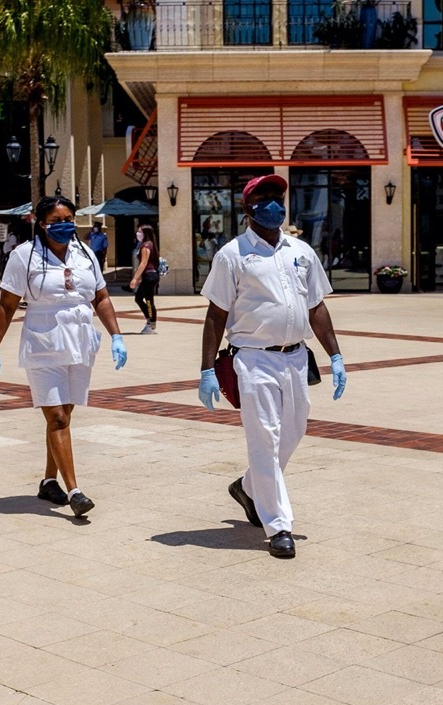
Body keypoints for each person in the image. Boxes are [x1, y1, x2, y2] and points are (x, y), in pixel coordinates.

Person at [197, 174, 347, 559]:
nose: (273, 204)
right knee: (264, 437)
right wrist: (207, 369)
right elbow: (216, 314)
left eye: (277, 197)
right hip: (253, 358)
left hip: (296, 357)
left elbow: (316, 306)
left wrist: (335, 355)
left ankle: (248, 486)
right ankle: (279, 525)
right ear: (247, 208)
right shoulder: (232, 255)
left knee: (293, 432)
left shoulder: (300, 251)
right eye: (263, 198)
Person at [0, 195, 127, 518]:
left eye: (68, 220)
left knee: (65, 415)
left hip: (79, 342)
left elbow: (100, 297)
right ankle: (74, 490)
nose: (63, 226)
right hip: (43, 343)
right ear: (40, 222)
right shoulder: (25, 256)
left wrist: (117, 335)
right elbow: (6, 305)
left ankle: (49, 481)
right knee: (57, 418)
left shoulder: (85, 253)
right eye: (56, 221)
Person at [129, 224, 160, 334]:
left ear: (145, 233)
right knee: (139, 298)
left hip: (149, 276)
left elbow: (143, 263)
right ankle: (150, 321)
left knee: (148, 301)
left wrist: (135, 278)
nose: (138, 234)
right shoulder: (150, 244)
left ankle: (151, 325)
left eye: (140, 232)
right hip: (149, 275)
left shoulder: (146, 246)